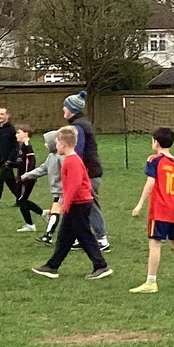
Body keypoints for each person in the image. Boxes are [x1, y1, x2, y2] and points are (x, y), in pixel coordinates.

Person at [30, 125, 111, 281]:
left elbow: (74, 185)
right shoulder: (72, 159)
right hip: (78, 203)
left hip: (78, 204)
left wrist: (65, 205)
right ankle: (52, 266)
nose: (56, 146)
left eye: (57, 143)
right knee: (64, 237)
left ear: (63, 144)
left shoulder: (71, 161)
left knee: (84, 235)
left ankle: (101, 266)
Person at [129, 126, 174, 293]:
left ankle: (151, 282)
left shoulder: (154, 160)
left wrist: (139, 204)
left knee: (155, 243)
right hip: (173, 209)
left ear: (156, 142)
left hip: (159, 210)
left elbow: (150, 182)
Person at [60, 93, 108, 249]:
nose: (63, 109)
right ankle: (83, 238)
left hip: (89, 172)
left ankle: (101, 238)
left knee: (90, 205)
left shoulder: (78, 127)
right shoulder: (82, 124)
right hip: (90, 170)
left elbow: (77, 151)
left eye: (65, 106)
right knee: (83, 207)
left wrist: (74, 171)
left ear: (72, 109)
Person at [7, 125, 43, 230]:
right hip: (23, 177)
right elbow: (22, 163)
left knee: (21, 200)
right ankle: (42, 213)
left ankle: (30, 224)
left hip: (26, 179)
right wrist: (11, 164)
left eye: (18, 133)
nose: (16, 135)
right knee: (22, 199)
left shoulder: (27, 146)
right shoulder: (22, 146)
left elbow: (31, 162)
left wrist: (26, 176)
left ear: (26, 134)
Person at [32, 130, 65, 243]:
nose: (45, 145)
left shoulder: (61, 157)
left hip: (62, 190)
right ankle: (49, 235)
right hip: (58, 190)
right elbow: (42, 169)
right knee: (57, 211)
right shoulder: (51, 157)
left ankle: (49, 235)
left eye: (46, 142)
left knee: (57, 211)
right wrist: (26, 176)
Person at [0, 105, 19, 209]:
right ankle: (21, 199)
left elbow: (15, 146)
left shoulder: (11, 130)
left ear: (7, 115)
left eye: (2, 114)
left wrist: (10, 160)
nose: (0, 116)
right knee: (10, 182)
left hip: (9, 161)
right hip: (1, 160)